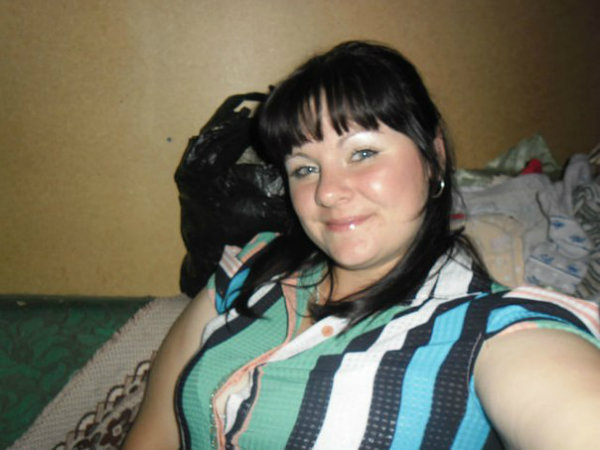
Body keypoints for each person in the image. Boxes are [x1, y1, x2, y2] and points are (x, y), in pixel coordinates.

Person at [123, 41, 600, 450]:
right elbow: (154, 433)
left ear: (433, 157)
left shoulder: (484, 328)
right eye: (305, 168)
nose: (328, 192)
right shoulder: (251, 265)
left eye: (363, 153)